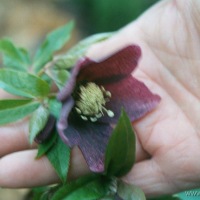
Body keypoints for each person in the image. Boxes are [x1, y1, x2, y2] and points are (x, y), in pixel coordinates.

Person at [0, 0, 200, 197]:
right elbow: (68, 129)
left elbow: (142, 93)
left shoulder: (90, 80)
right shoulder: (71, 110)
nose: (94, 100)